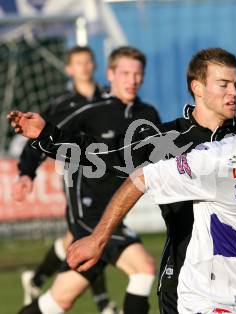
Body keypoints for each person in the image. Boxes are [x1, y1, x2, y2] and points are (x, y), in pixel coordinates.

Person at [8, 48, 236, 313]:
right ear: (198, 87)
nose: (233, 92)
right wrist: (47, 136)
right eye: (223, 84)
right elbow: (107, 155)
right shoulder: (166, 139)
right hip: (185, 278)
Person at [14, 46, 161, 314]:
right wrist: (26, 172)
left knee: (57, 302)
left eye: (138, 73)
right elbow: (41, 134)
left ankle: (43, 288)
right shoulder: (89, 110)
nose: (132, 80)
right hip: (87, 212)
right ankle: (103, 302)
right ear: (111, 74)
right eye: (125, 73)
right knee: (144, 268)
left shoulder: (148, 115)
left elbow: (157, 163)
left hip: (115, 211)